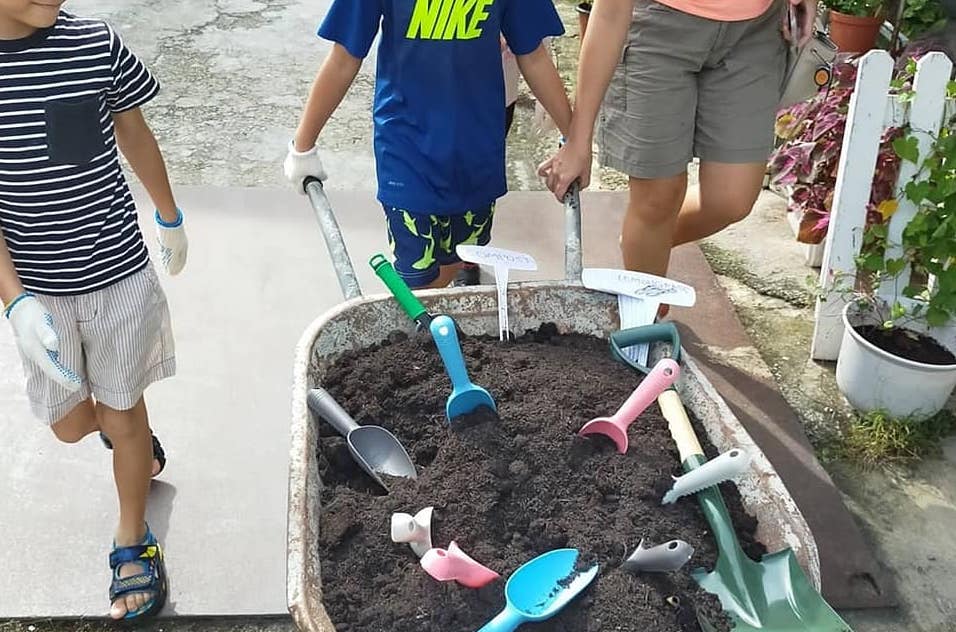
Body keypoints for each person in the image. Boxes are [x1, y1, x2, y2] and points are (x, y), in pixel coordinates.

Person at [0, 1, 187, 621]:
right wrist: (15, 302)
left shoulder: (94, 41)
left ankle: (132, 540)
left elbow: (131, 127)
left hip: (116, 274)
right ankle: (113, 424)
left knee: (123, 411)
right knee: (69, 421)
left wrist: (168, 213)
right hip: (40, 291)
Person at [539, 0, 817, 306]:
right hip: (657, 31)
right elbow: (609, 14)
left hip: (755, 32)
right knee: (658, 198)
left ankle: (643, 249)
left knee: (731, 200)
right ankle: (643, 309)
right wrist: (579, 140)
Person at [285, 0, 573, 289]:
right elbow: (344, 57)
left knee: (453, 264)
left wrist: (573, 140)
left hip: (476, 151)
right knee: (417, 280)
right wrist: (303, 145)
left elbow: (533, 54)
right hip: (406, 149)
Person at [455, 34, 523, 287]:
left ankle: (468, 257)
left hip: (498, 81)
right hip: (430, 76)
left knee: (479, 168)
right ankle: (436, 252)